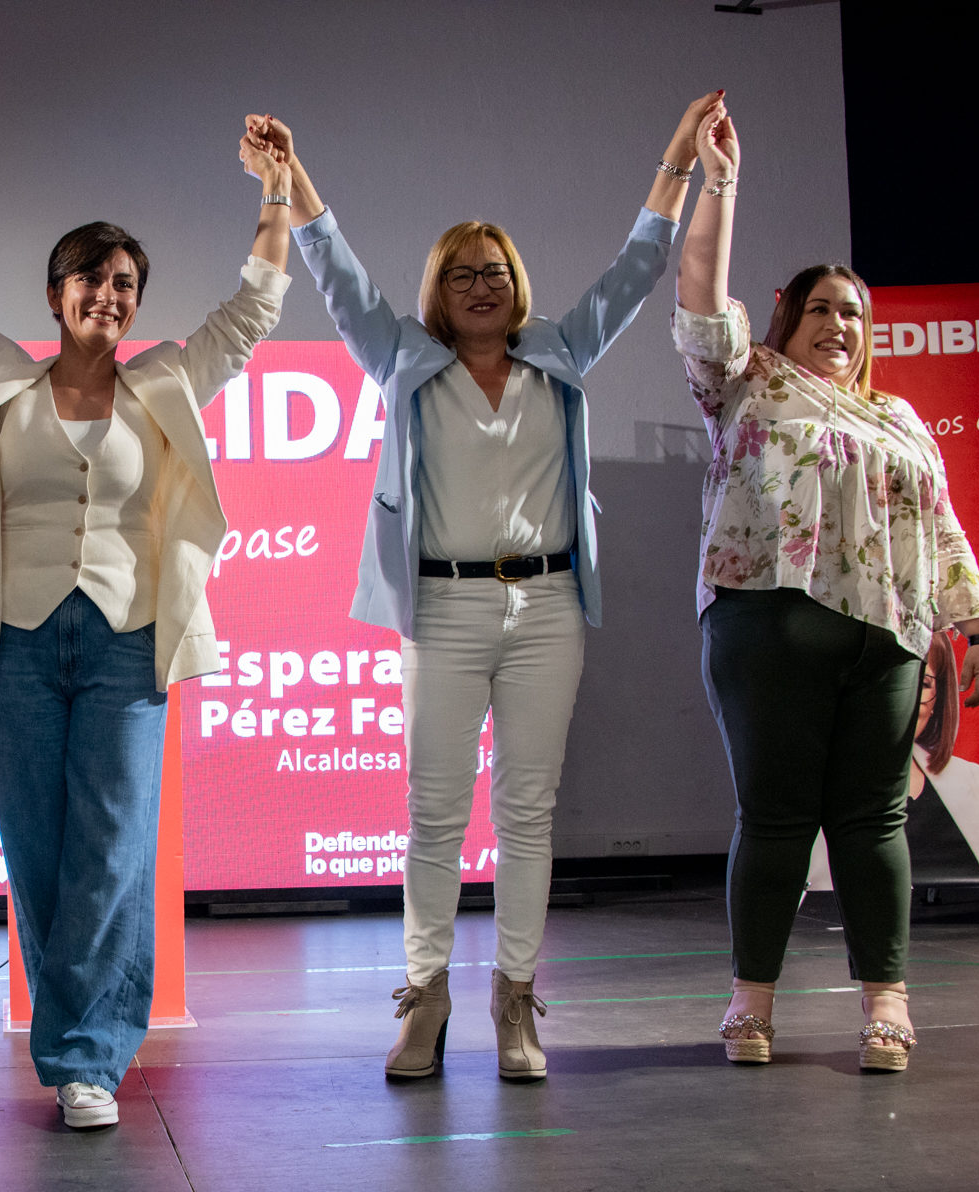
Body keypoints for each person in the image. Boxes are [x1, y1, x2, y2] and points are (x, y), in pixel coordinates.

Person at [248, 93, 719, 1082]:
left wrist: (677, 157)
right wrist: (290, 183)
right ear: (437, 289)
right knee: (431, 812)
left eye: (493, 272)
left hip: (546, 605)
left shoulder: (560, 350)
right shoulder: (404, 360)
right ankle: (423, 999)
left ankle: (513, 999)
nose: (477, 286)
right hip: (443, 606)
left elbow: (639, 269)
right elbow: (336, 278)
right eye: (459, 274)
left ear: (516, 285)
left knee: (526, 810)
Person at [0, 95, 290, 1128]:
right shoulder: (2, 374)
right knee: (39, 847)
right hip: (12, 639)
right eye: (91, 277)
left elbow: (256, 303)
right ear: (56, 293)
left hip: (124, 641)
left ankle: (84, 1057)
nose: (108, 293)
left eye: (125, 282)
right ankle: (76, 1044)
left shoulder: (170, 380)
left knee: (113, 847)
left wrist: (275, 189)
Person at [671, 100, 979, 1073]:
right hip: (766, 624)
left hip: (888, 642)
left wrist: (973, 631)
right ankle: (749, 1005)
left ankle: (885, 1008)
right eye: (820, 307)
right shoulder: (746, 381)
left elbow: (938, 528)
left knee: (872, 820)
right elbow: (697, 289)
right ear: (788, 316)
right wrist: (719, 183)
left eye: (853, 314)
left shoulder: (899, 419)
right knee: (772, 817)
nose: (838, 324)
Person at [808, 631, 979, 889]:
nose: (899, 695)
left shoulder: (973, 781)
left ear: (938, 701)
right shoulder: (806, 779)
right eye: (881, 679)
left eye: (923, 683)